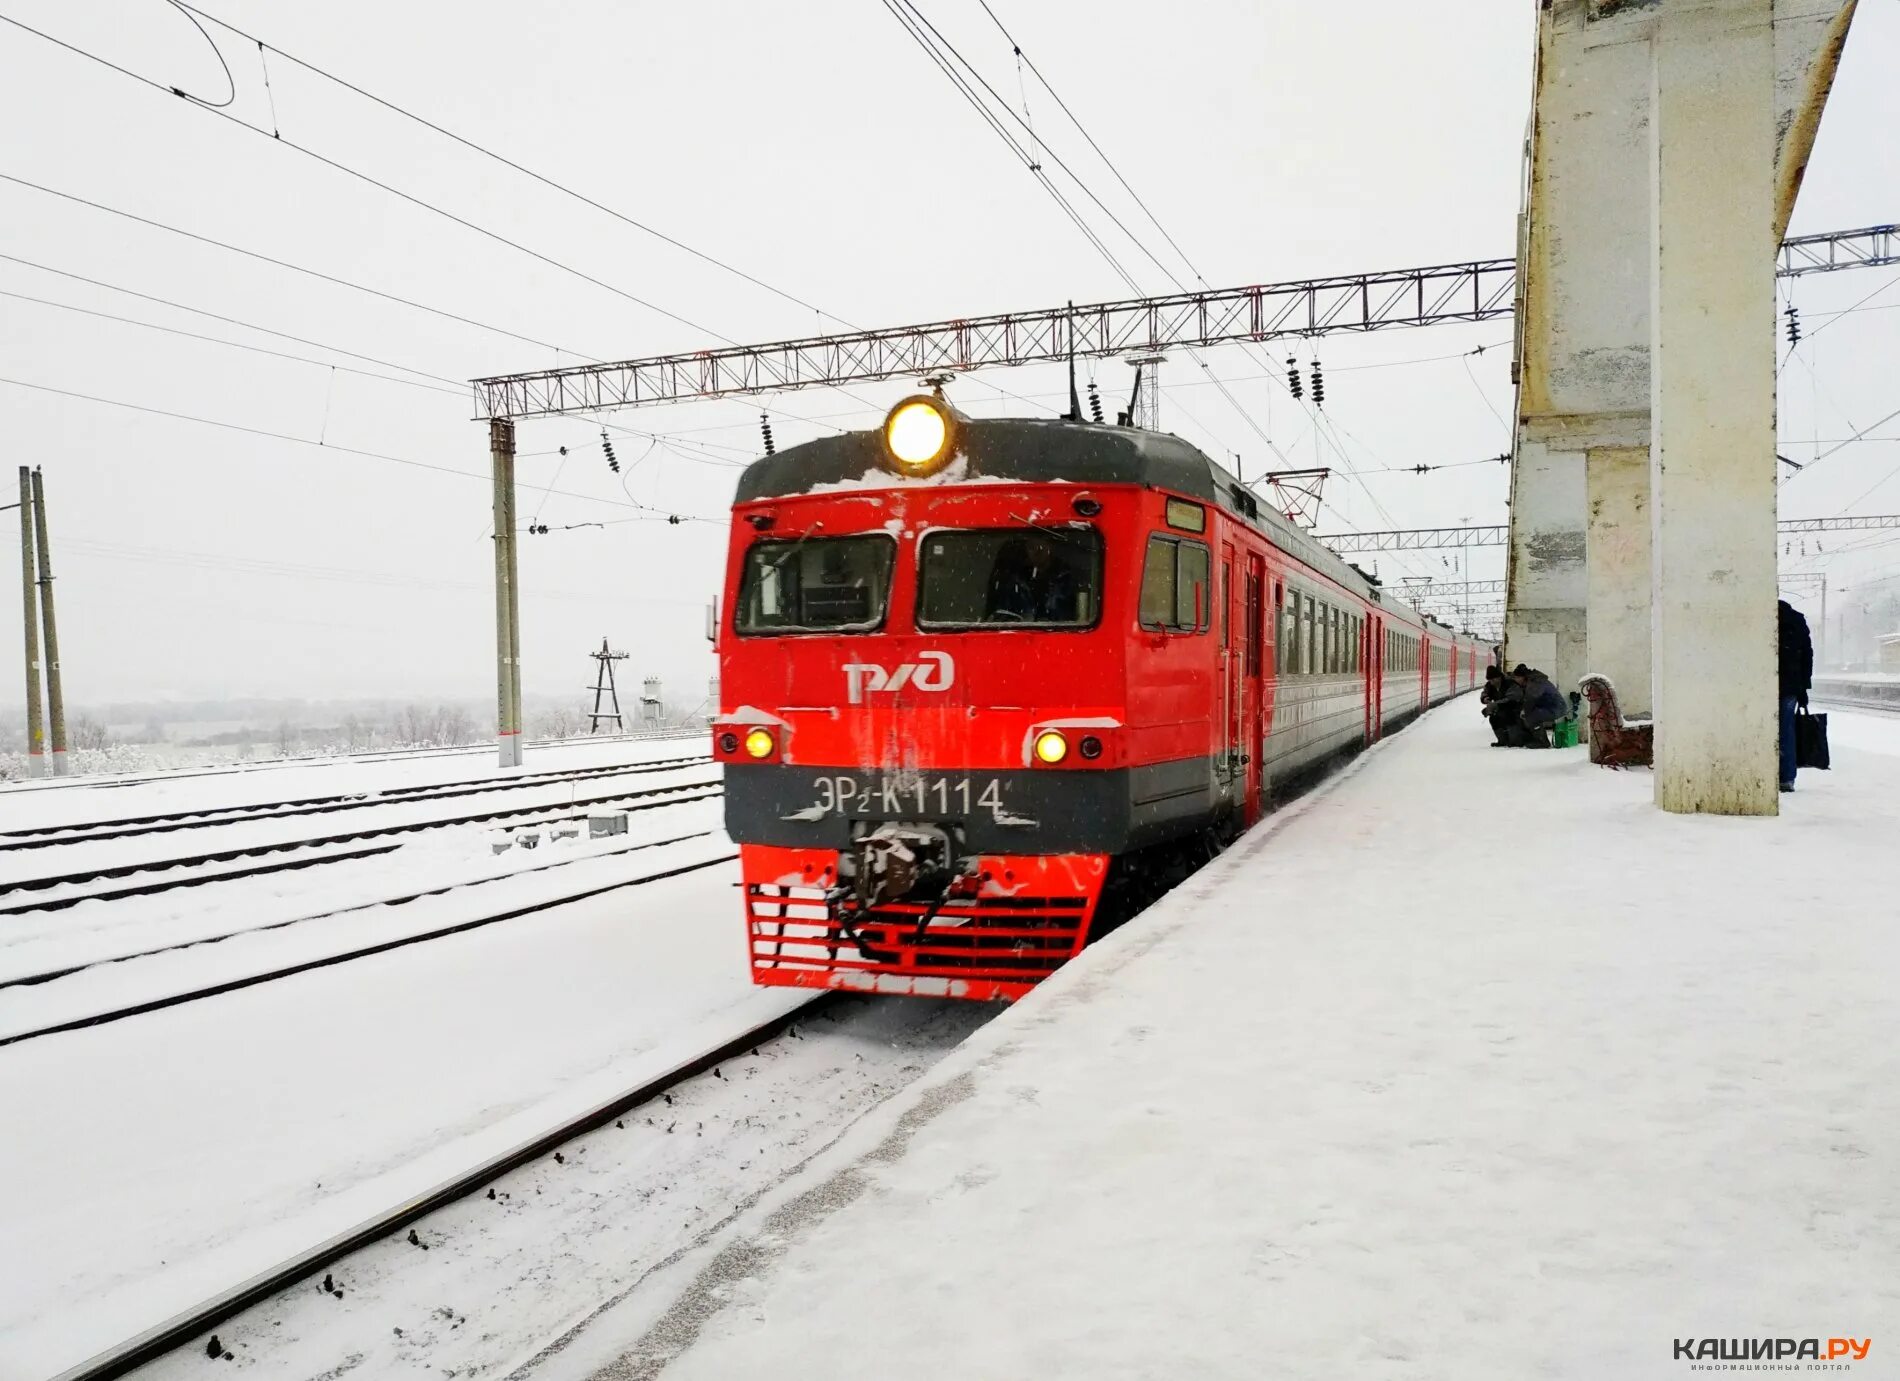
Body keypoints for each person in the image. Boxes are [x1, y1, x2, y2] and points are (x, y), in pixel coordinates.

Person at [987, 534, 1080, 623]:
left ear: (1050, 547)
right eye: (1031, 548)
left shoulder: (1066, 580)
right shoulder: (1015, 582)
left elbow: (1071, 615)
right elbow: (1003, 614)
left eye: (1041, 547)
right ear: (1026, 551)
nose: (1037, 552)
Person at [1778, 598, 1813, 792]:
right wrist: (1804, 687)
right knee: (1786, 730)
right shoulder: (1796, 620)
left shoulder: (1764, 617)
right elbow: (1807, 654)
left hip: (1764, 682)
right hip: (1791, 685)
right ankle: (1787, 778)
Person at [1514, 664, 1568, 748]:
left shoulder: (1535, 682)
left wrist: (1524, 710)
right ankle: (1534, 739)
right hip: (1550, 707)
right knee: (1529, 714)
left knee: (1532, 716)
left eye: (1517, 677)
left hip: (1556, 708)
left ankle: (1542, 742)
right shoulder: (1533, 680)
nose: (1515, 680)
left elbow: (1531, 699)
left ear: (1523, 677)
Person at [1480, 665, 1521, 746]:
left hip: (1515, 708)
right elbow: (1484, 693)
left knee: (1508, 716)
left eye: (1493, 679)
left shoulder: (1510, 683)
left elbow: (1512, 699)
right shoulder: (1490, 685)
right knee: (1494, 718)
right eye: (1489, 680)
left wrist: (1495, 704)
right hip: (1501, 708)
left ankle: (1514, 741)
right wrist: (1485, 698)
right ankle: (1502, 740)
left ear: (1499, 677)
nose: (1491, 682)